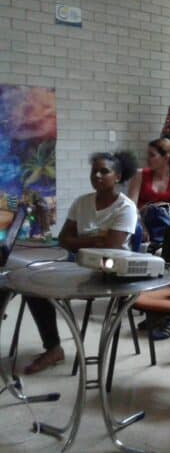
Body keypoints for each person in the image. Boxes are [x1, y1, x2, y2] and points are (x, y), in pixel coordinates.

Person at [24, 151, 138, 374]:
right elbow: (64, 239)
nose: (97, 175)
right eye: (94, 171)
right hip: (78, 262)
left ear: (117, 176)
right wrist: (96, 239)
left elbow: (113, 247)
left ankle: (53, 348)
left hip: (110, 270)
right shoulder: (82, 202)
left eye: (104, 171)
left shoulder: (126, 208)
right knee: (32, 285)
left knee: (40, 284)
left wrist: (83, 242)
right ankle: (53, 348)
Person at [128, 138, 170, 209]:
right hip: (142, 218)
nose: (147, 158)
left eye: (152, 155)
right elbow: (132, 206)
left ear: (166, 158)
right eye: (148, 155)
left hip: (166, 218)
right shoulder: (140, 174)